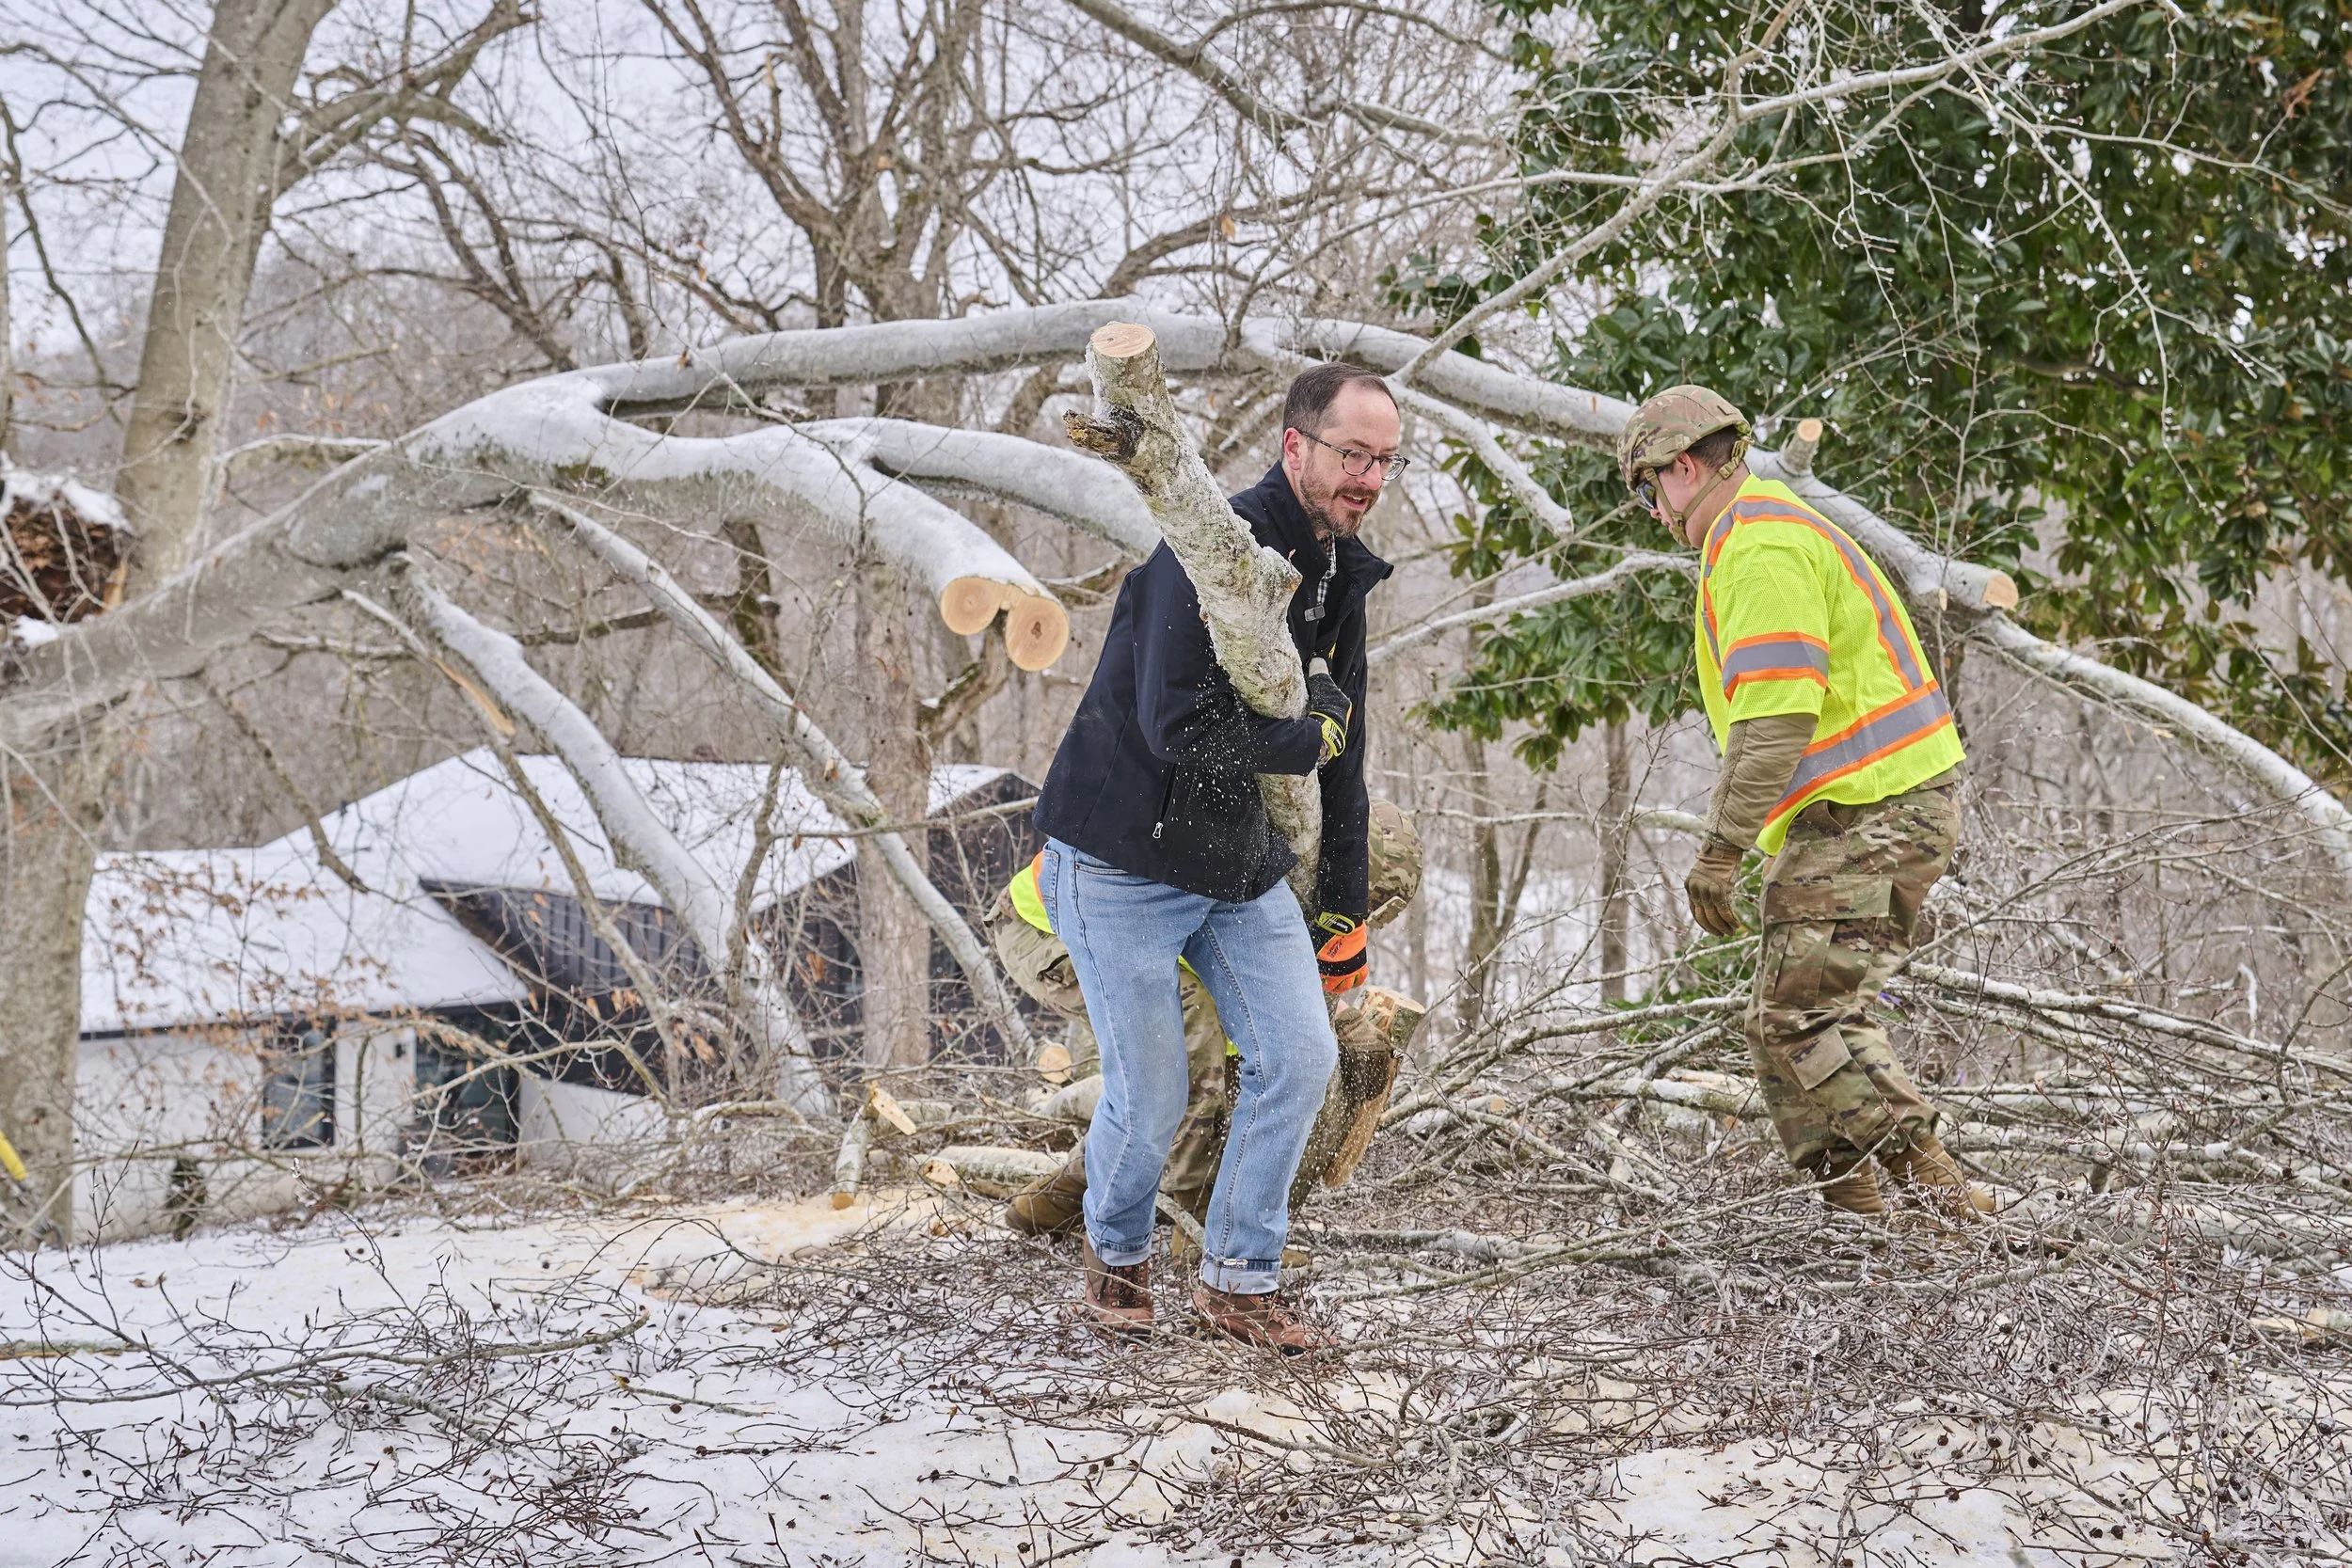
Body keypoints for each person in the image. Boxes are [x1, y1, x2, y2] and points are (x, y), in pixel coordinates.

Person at [1028, 362, 1401, 1351]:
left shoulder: (1336, 576)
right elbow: (1174, 723)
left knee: (1300, 1057)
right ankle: (1113, 1252)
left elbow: (1344, 753)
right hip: (1118, 859)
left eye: (1384, 461)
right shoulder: (1203, 553)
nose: (1367, 477)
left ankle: (1238, 1277)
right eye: (1350, 454)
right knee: (1151, 1094)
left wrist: (1341, 911)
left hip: (1236, 863)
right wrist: (1301, 740)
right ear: (1295, 446)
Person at [1617, 386, 1994, 1220]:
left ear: (1684, 467)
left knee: (1802, 1015)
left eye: (1649, 489)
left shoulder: (1758, 544)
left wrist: (1721, 847)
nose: (1652, 511)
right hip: (1871, 808)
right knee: (1782, 1019)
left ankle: (1944, 1199)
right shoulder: (1759, 528)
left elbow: (1778, 718)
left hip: (1879, 808)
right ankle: (1858, 1212)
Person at [990, 798, 1424, 1242]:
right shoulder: (1253, 849)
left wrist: (1335, 1029)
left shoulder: (1289, 869)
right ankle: (1195, 1223)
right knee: (1182, 1039)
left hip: (1134, 939)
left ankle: (1054, 1204)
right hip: (1047, 924)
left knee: (1218, 1070)